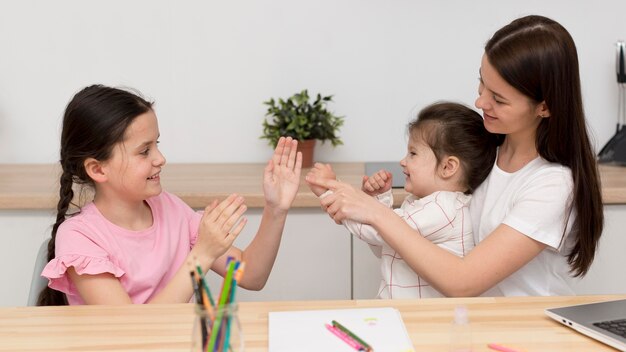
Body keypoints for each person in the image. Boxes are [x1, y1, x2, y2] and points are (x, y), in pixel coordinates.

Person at [306, 15, 604, 297]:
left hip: (529, 330)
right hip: (475, 325)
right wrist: (373, 208)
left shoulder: (553, 184)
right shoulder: (484, 154)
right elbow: (413, 240)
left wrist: (374, 213)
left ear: (544, 107)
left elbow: (463, 282)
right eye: (482, 83)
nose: (480, 101)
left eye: (498, 99)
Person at [38, 84, 302, 305]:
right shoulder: (79, 237)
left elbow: (251, 275)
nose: (160, 159)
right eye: (144, 151)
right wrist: (202, 255)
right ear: (98, 169)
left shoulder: (172, 209)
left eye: (157, 144)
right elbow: (133, 335)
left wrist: (276, 209)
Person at [307, 102, 498, 298]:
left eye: (413, 153)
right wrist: (378, 199)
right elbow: (386, 244)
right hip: (402, 313)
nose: (403, 161)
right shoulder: (422, 202)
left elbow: (377, 232)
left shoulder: (442, 209)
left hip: (420, 322)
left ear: (448, 167)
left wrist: (329, 190)